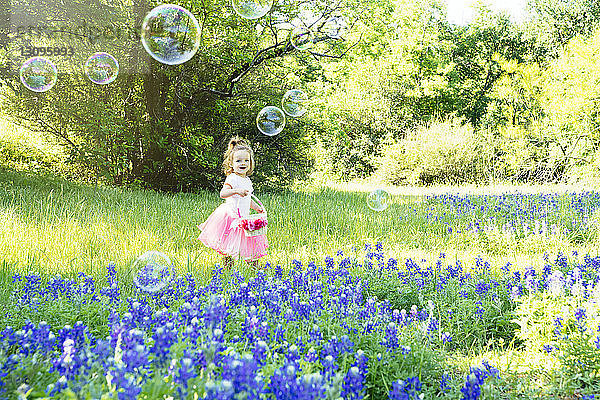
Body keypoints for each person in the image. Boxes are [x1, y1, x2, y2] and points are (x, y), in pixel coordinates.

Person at [198, 137, 268, 269]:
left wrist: (257, 207)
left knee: (250, 244)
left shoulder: (247, 180)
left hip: (244, 219)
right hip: (231, 218)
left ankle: (255, 269)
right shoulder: (232, 178)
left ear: (251, 163)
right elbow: (223, 193)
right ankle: (227, 269)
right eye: (238, 161)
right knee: (229, 246)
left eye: (246, 160)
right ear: (231, 163)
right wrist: (236, 191)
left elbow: (247, 199)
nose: (243, 163)